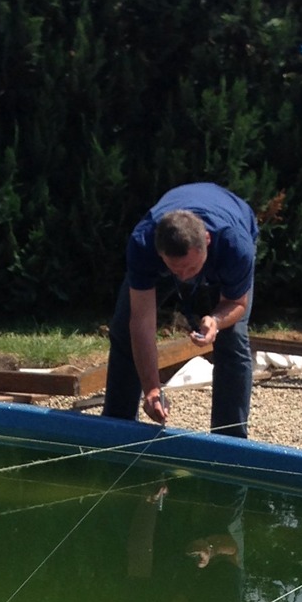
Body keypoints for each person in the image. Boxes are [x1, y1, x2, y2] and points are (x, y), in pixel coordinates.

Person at [101, 182, 259, 440]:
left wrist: (216, 321)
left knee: (233, 339)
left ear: (206, 241)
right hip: (174, 247)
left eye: (191, 268)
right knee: (123, 330)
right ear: (159, 252)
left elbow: (237, 304)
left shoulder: (235, 245)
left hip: (233, 223)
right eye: (176, 269)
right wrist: (152, 389)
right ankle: (116, 426)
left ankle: (229, 439)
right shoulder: (143, 243)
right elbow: (141, 323)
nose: (184, 276)